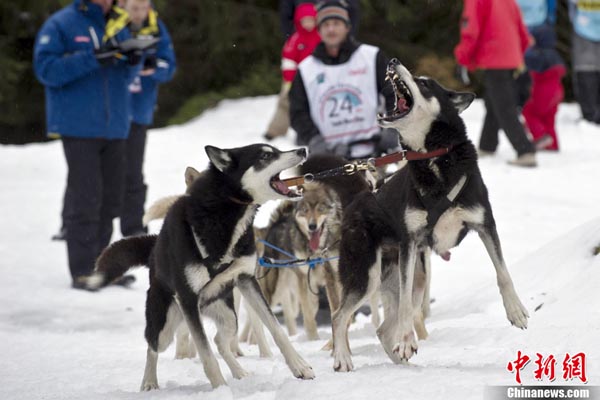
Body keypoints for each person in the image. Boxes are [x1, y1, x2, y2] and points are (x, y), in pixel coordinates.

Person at [34, 0, 142, 289]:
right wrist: (92, 57)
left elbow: (126, 77)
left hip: (116, 126)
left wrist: (135, 60)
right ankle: (82, 271)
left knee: (110, 199)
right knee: (86, 197)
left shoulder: (119, 25)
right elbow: (46, 70)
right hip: (78, 126)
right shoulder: (62, 24)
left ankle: (102, 267)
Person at [289, 0, 397, 160]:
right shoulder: (306, 69)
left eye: (336, 23)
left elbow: (394, 93)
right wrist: (314, 139)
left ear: (347, 27)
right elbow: (297, 112)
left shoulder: (371, 56)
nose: (331, 29)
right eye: (325, 25)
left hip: (374, 153)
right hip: (330, 159)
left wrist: (393, 127)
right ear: (318, 30)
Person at [454, 0, 538, 167]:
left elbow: (470, 28)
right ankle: (487, 145)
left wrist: (463, 58)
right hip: (508, 54)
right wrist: (516, 54)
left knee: (504, 107)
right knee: (494, 103)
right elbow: (521, 29)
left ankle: (525, 150)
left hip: (495, 54)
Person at [119, 0, 176, 237]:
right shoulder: (112, 27)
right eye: (135, 8)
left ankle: (134, 227)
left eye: (145, 7)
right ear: (122, 6)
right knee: (96, 172)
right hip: (111, 112)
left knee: (133, 173)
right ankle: (72, 222)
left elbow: (169, 65)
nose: (140, 13)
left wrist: (154, 69)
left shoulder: (156, 27)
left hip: (139, 112)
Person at [264, 3, 320, 141]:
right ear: (299, 21)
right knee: (285, 102)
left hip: (316, 79)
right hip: (294, 79)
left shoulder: (320, 37)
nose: (308, 24)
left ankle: (311, 133)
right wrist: (289, 78)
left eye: (311, 20)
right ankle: (275, 130)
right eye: (304, 21)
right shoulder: (295, 39)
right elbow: (288, 59)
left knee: (315, 106)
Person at [522, 24, 565, 151]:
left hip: (544, 90)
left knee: (529, 111)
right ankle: (552, 144)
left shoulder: (537, 54)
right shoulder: (554, 54)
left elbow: (525, 62)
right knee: (548, 118)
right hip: (557, 90)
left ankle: (541, 136)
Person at [569, 0, 600, 124]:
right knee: (586, 70)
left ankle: (590, 115)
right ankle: (591, 116)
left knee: (585, 69)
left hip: (583, 27)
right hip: (583, 29)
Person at [280, 0, 360, 39]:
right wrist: (292, 39)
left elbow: (353, 12)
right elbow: (286, 16)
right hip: (304, 44)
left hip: (337, 42)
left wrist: (349, 37)